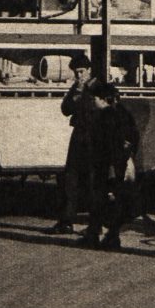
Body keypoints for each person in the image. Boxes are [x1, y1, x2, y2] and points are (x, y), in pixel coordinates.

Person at [46, 54, 103, 235]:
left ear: (89, 70)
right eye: (76, 73)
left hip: (95, 137)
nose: (79, 76)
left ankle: (95, 225)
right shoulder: (75, 88)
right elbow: (65, 110)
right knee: (70, 178)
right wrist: (76, 95)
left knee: (94, 181)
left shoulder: (100, 87)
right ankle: (66, 221)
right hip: (79, 135)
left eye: (81, 72)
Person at [79, 83, 139, 250]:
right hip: (120, 164)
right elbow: (133, 137)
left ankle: (96, 236)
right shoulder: (124, 113)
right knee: (114, 201)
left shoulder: (104, 117)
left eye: (94, 99)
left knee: (100, 200)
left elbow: (103, 144)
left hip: (105, 166)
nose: (92, 102)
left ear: (104, 100)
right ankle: (111, 236)